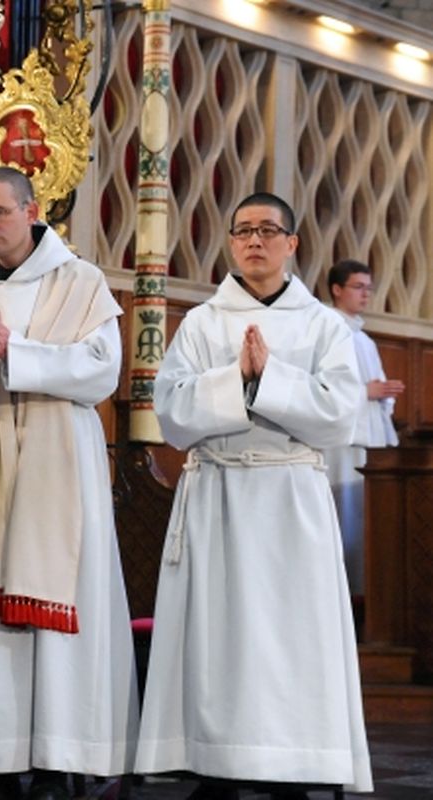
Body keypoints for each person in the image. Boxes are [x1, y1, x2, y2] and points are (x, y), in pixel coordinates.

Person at [134, 192, 373, 798]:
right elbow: (172, 414)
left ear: (292, 244)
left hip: (290, 499)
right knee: (217, 643)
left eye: (269, 230)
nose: (254, 241)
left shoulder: (322, 324)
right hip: (218, 493)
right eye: (242, 231)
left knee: (289, 643)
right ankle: (214, 764)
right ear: (231, 243)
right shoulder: (203, 323)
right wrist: (235, 376)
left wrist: (270, 376)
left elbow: (340, 415)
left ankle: (291, 767)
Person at [0, 167, 137, 800]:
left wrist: (18, 353)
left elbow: (101, 372)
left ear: (33, 211)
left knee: (65, 597)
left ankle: (65, 753)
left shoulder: (80, 279)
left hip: (61, 453)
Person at [324, 259, 403, 596]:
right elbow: (317, 389)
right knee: (345, 518)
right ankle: (347, 595)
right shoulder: (327, 330)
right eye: (358, 287)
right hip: (343, 444)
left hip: (371, 440)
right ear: (337, 289)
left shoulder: (365, 340)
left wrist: (384, 394)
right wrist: (364, 393)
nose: (365, 295)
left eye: (368, 288)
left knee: (371, 517)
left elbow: (378, 388)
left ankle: (368, 594)